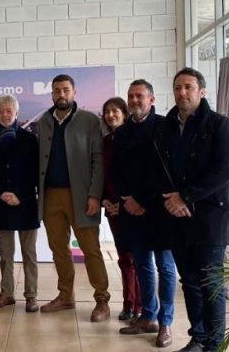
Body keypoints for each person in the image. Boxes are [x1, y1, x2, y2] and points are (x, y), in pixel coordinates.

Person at [154, 67, 229, 352]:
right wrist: (171, 200)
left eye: (188, 87)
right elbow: (159, 167)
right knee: (188, 282)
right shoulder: (165, 126)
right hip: (177, 218)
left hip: (209, 217)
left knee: (211, 285)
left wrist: (184, 198)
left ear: (201, 91)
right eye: (178, 87)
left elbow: (223, 171)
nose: (182, 92)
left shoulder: (218, 125)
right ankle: (198, 338)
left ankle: (214, 345)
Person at [37, 74, 110, 322]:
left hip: (82, 196)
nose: (61, 94)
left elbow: (98, 162)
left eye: (66, 90)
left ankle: (102, 299)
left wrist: (94, 195)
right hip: (50, 196)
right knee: (59, 249)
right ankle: (65, 296)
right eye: (57, 90)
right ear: (52, 94)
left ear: (74, 92)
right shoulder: (45, 121)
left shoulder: (90, 121)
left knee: (91, 250)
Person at [112, 80, 176, 348]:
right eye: (131, 96)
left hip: (159, 209)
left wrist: (142, 200)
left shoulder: (165, 127)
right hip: (132, 210)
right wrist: (127, 198)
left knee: (165, 266)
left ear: (151, 99)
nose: (134, 100)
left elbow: (166, 170)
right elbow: (115, 169)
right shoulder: (122, 132)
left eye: (140, 96)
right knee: (143, 266)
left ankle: (165, 323)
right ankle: (148, 316)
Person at [0, 95, 40, 313]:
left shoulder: (29, 139)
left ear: (16, 112)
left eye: (9, 111)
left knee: (29, 255)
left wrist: (21, 196)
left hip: (25, 204)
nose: (5, 114)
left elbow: (35, 173)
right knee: (6, 255)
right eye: (1, 111)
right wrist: (0, 193)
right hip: (1, 204)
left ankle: (31, 296)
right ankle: (7, 293)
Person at [101, 97, 142, 322]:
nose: (111, 115)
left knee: (136, 259)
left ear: (124, 113)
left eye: (115, 110)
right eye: (107, 111)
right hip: (112, 208)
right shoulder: (106, 141)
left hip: (131, 207)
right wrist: (106, 200)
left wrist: (123, 203)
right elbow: (104, 174)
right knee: (124, 258)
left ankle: (139, 306)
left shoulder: (133, 137)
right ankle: (128, 304)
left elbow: (135, 175)